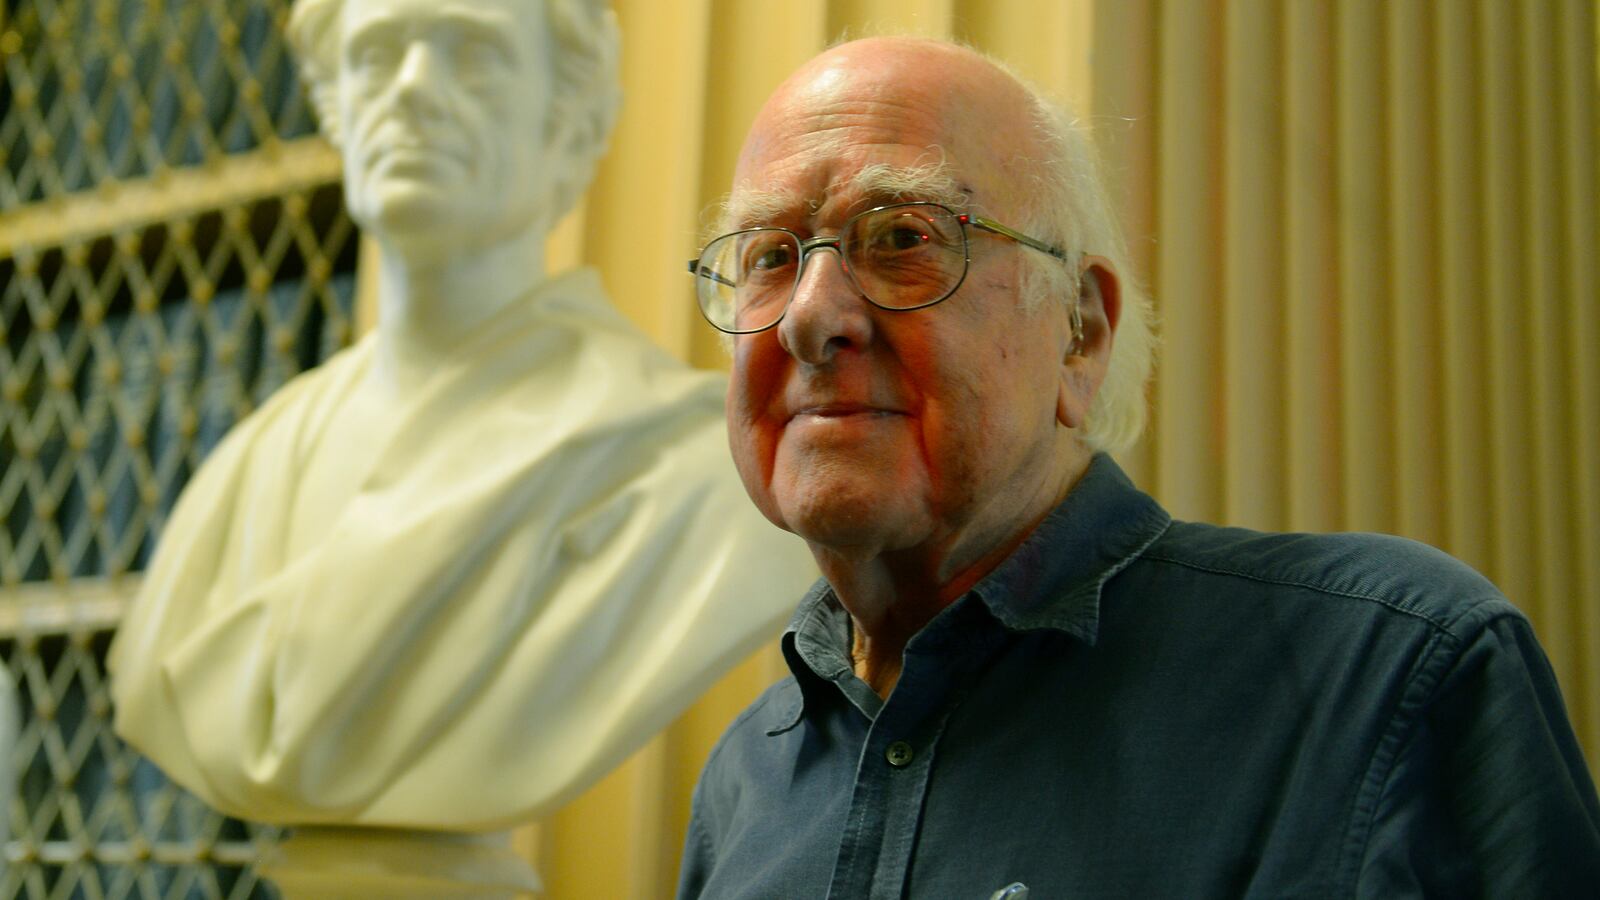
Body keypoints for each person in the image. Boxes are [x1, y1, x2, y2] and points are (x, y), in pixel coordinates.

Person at [678, 36, 1600, 898]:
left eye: (901, 238)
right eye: (769, 256)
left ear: (1079, 329)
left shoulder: (1390, 674)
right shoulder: (745, 782)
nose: (809, 317)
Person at [107, 0, 814, 829]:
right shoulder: (248, 466)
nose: (412, 88)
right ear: (335, 105)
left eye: (473, 50)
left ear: (570, 117)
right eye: (377, 54)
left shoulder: (695, 474)